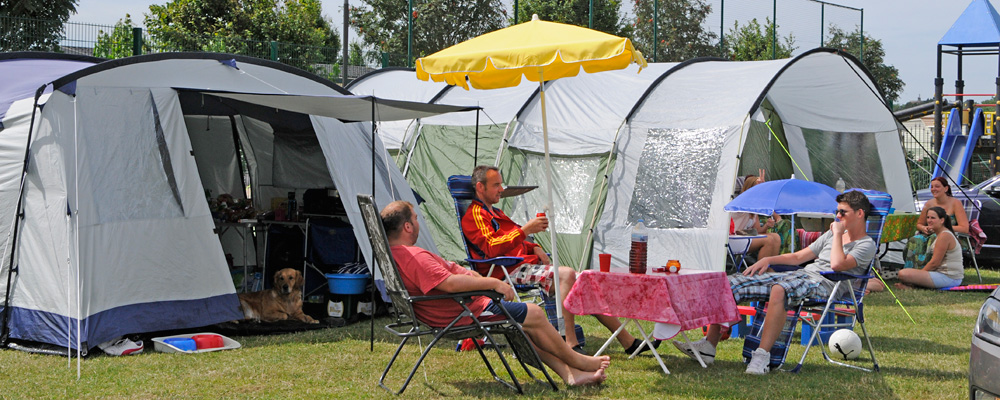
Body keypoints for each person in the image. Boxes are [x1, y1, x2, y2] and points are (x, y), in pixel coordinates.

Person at [382, 200, 609, 386]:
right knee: (534, 315)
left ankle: (571, 375)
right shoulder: (414, 256)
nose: (418, 223)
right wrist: (492, 283)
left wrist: (477, 278)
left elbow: (449, 273)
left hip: (456, 309)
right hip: (464, 312)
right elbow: (449, 283)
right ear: (408, 227)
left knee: (526, 325)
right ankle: (579, 361)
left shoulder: (396, 254)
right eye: (415, 219)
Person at [461, 165, 658, 355]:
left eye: (501, 184)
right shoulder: (475, 215)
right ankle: (569, 342)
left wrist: (534, 246)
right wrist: (525, 230)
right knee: (566, 275)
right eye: (496, 185)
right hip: (504, 271)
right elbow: (492, 247)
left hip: (521, 265)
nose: (502, 189)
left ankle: (628, 341)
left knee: (583, 282)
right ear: (480, 187)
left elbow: (511, 238)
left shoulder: (495, 212)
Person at [673, 190, 876, 374]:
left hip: (827, 285)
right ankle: (709, 346)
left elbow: (837, 264)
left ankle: (762, 356)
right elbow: (798, 258)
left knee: (780, 290)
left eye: (843, 212)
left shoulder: (866, 244)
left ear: (859, 214)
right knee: (733, 281)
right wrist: (768, 259)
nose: (837, 217)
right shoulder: (831, 234)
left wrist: (839, 234)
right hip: (801, 276)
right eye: (837, 212)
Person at [904, 177, 969, 270]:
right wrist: (924, 228)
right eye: (932, 187)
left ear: (946, 188)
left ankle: (928, 270)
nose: (933, 189)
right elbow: (919, 224)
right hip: (929, 234)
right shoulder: (929, 204)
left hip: (950, 236)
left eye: (937, 186)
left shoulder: (955, 203)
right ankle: (911, 270)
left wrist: (941, 228)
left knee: (935, 239)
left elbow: (964, 228)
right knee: (915, 239)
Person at [893, 206, 963, 290]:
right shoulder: (941, 234)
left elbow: (934, 263)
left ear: (942, 220)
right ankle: (912, 286)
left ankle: (913, 286)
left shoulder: (944, 236)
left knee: (903, 274)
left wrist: (918, 276)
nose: (929, 220)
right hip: (942, 274)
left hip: (949, 278)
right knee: (906, 273)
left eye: (933, 218)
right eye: (928, 217)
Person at [730, 170, 783, 260]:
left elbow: (758, 231)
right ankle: (761, 270)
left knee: (776, 237)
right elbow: (745, 200)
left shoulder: (753, 211)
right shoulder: (739, 204)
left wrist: (767, 225)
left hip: (742, 239)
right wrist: (760, 188)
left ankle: (769, 268)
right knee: (768, 240)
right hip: (731, 240)